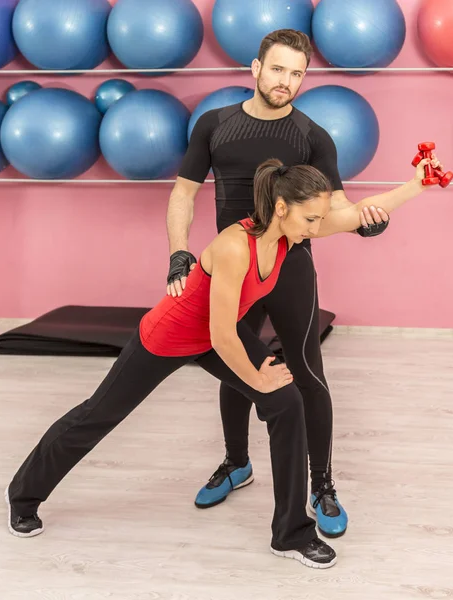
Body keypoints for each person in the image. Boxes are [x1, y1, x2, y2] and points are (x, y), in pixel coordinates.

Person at [5, 155, 439, 569]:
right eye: (310, 219)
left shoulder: (292, 231)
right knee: (98, 415)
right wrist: (256, 377)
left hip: (216, 334)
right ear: (282, 208)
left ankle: (291, 533)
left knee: (287, 403)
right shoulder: (235, 246)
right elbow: (221, 334)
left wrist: (417, 185)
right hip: (170, 335)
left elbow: (360, 212)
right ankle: (23, 497)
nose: (316, 228)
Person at [166, 28, 391, 538]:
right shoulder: (214, 125)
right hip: (233, 267)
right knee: (235, 366)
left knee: (309, 373)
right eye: (277, 69)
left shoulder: (312, 136)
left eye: (296, 73)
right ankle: (237, 462)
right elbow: (183, 194)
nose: (285, 81)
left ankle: (323, 484)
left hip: (290, 269)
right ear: (255, 68)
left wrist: (369, 221)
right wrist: (179, 251)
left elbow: (337, 210)